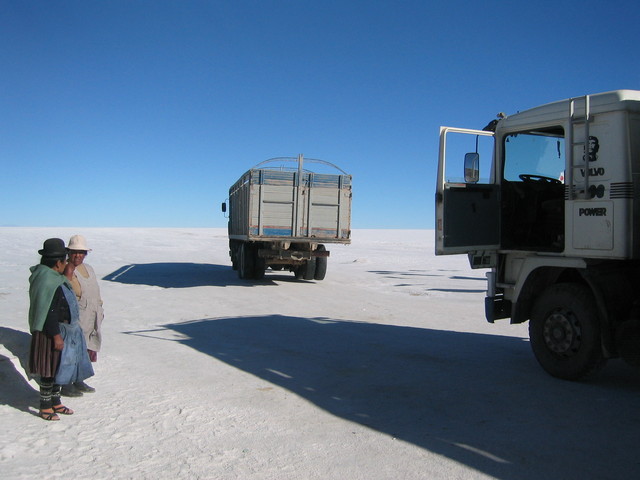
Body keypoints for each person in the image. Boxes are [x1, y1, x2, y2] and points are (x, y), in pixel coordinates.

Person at [28, 238, 94, 421]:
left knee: (58, 367)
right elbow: (49, 311)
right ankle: (45, 407)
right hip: (50, 332)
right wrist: (56, 336)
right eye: (64, 260)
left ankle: (56, 402)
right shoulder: (47, 281)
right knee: (48, 370)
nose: (66, 263)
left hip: (60, 330)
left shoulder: (52, 277)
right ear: (57, 263)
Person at [61, 234, 104, 396]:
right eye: (74, 252)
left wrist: (100, 308)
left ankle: (78, 379)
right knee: (70, 350)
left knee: (85, 349)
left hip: (91, 316)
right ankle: (65, 383)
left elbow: (95, 291)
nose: (78, 255)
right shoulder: (66, 270)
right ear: (68, 252)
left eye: (81, 252)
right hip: (75, 317)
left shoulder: (89, 269)